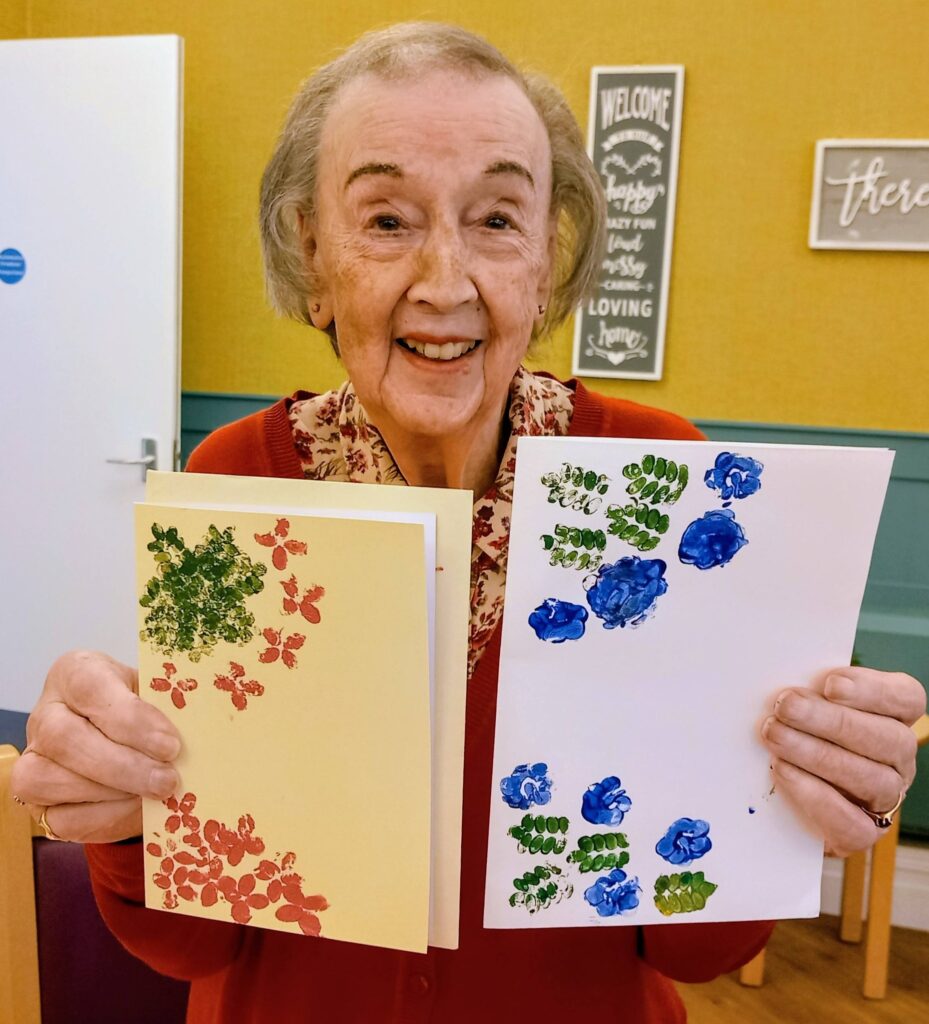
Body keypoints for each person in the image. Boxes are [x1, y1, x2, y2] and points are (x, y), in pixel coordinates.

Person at [11, 22, 925, 1024]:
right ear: (312, 257)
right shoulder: (237, 481)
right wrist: (125, 813)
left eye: (495, 219)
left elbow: (698, 944)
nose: (445, 282)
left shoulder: (659, 490)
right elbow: (190, 940)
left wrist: (789, 803)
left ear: (544, 264)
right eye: (387, 219)